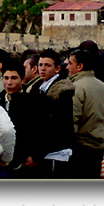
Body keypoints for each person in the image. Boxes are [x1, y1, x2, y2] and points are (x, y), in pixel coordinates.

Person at [67, 48, 104, 178]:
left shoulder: (76, 87)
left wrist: (69, 142)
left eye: (70, 63)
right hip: (99, 146)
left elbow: (73, 118)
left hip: (80, 148)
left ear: (80, 66)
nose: (67, 67)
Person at [28, 49, 75, 178]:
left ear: (57, 69)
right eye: (40, 65)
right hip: (42, 152)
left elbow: (58, 127)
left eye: (47, 65)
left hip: (55, 153)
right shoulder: (38, 87)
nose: (42, 68)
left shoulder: (62, 92)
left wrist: (37, 155)